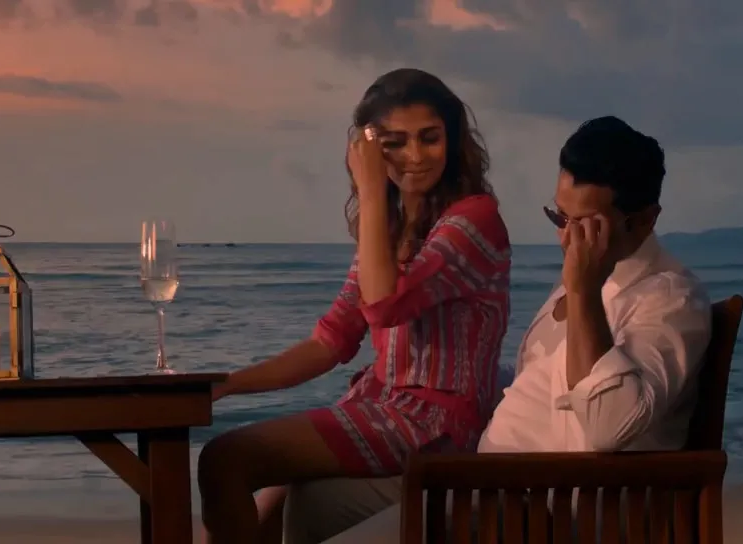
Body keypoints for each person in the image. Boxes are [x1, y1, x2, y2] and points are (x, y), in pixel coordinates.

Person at [318, 115, 714, 542]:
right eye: (560, 218)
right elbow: (535, 381)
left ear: (645, 220)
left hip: (551, 508)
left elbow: (608, 427)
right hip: (487, 482)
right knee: (314, 501)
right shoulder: (584, 278)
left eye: (586, 227)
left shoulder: (668, 298)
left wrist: (583, 291)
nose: (567, 240)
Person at [197, 68, 513, 544]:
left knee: (225, 459)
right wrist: (228, 384)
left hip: (434, 424)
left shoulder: (474, 219)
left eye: (429, 138)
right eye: (394, 143)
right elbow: (331, 340)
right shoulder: (387, 232)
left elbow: (385, 306)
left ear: (452, 140)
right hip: (380, 408)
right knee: (268, 500)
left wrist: (370, 189)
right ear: (369, 147)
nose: (414, 156)